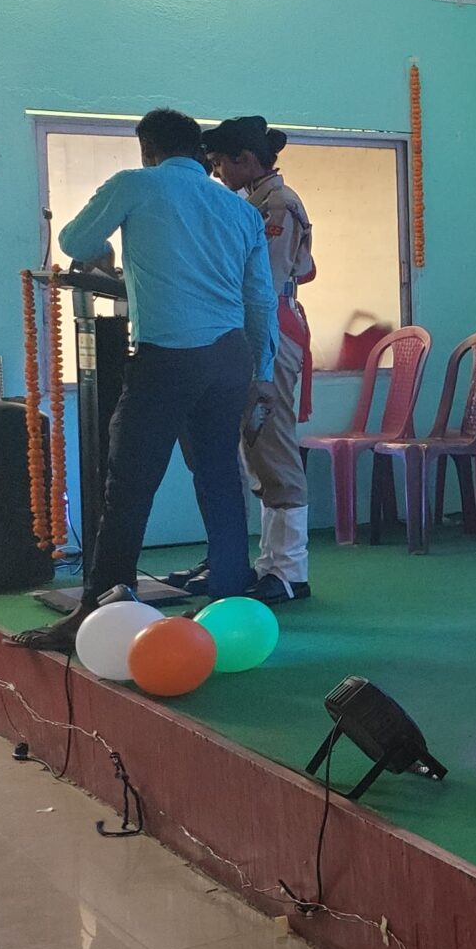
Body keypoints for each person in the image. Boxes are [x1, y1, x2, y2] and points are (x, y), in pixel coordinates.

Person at [11, 109, 273, 648]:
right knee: (220, 476)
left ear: (148, 149)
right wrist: (262, 372)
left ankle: (99, 610)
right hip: (229, 358)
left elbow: (74, 239)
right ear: (198, 152)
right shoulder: (239, 209)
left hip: (168, 357)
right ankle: (230, 603)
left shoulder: (136, 184)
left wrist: (106, 254)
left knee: (129, 485)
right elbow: (260, 300)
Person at [170, 117, 316, 604]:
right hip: (245, 326)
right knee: (254, 450)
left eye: (218, 163)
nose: (214, 173)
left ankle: (290, 570)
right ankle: (265, 564)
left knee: (272, 445)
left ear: (246, 160)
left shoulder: (277, 204)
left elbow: (263, 281)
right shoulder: (251, 202)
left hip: (269, 326)